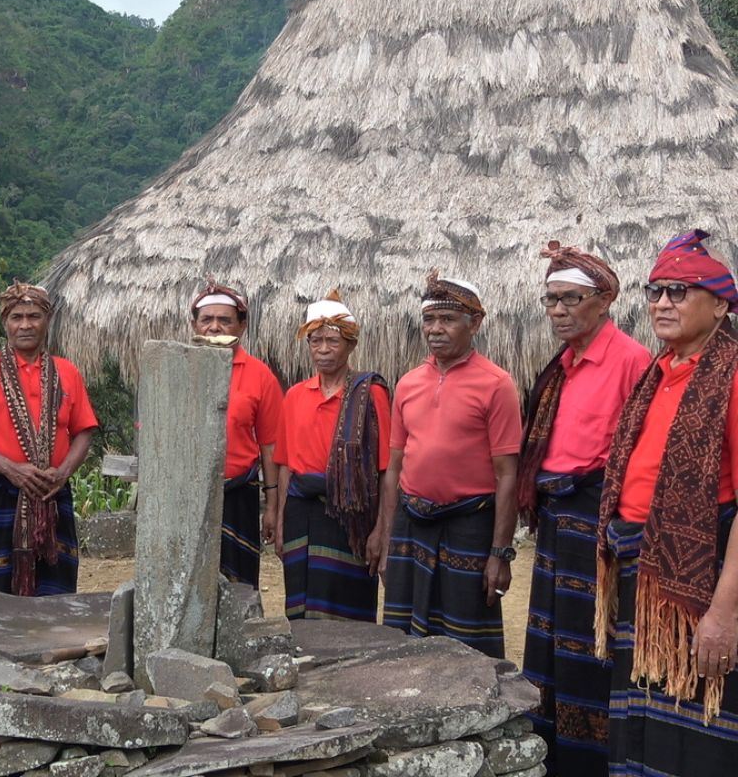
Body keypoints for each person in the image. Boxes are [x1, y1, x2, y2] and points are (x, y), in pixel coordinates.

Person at [595, 229, 738, 775]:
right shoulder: (657, 375)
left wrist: (724, 613)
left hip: (699, 580)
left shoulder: (730, 374)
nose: (661, 303)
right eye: (654, 291)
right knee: (642, 725)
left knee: (699, 731)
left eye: (679, 291)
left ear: (721, 304)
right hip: (643, 575)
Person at [516, 242, 650, 776]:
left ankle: (590, 759)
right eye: (550, 300)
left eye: (569, 298)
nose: (557, 310)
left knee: (589, 639)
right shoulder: (563, 365)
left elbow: (634, 452)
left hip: (597, 517)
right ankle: (549, 748)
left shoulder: (631, 359)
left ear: (603, 300)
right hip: (556, 515)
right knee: (550, 635)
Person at [371, 271, 522, 658]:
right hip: (411, 522)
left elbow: (508, 476)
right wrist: (387, 539)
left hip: (469, 525)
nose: (436, 329)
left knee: (466, 643)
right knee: (405, 641)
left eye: (448, 319)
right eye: (429, 319)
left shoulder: (497, 384)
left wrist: (500, 553)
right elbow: (394, 468)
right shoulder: (407, 384)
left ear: (475, 324)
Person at [0, 281, 98, 595]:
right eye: (17, 317)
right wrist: (11, 469)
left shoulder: (66, 372)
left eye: (34, 316)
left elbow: (84, 431)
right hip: (1, 491)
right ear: (5, 322)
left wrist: (63, 474)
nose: (25, 325)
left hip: (52, 492)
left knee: (55, 589)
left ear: (47, 320)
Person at [268, 290, 389, 620]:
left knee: (345, 606)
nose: (322, 350)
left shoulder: (370, 395)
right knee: (300, 601)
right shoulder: (294, 396)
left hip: (349, 516)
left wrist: (381, 530)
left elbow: (384, 471)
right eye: (315, 341)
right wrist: (279, 522)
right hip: (299, 513)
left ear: (351, 345)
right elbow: (284, 466)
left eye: (332, 341)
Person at [189, 279, 283, 587]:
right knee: (187, 582)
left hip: (239, 495)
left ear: (241, 326)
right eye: (207, 320)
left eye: (224, 320)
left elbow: (270, 446)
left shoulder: (260, 376)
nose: (215, 327)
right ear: (195, 325)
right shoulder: (176, 368)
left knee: (238, 585)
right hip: (187, 495)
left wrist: (271, 506)